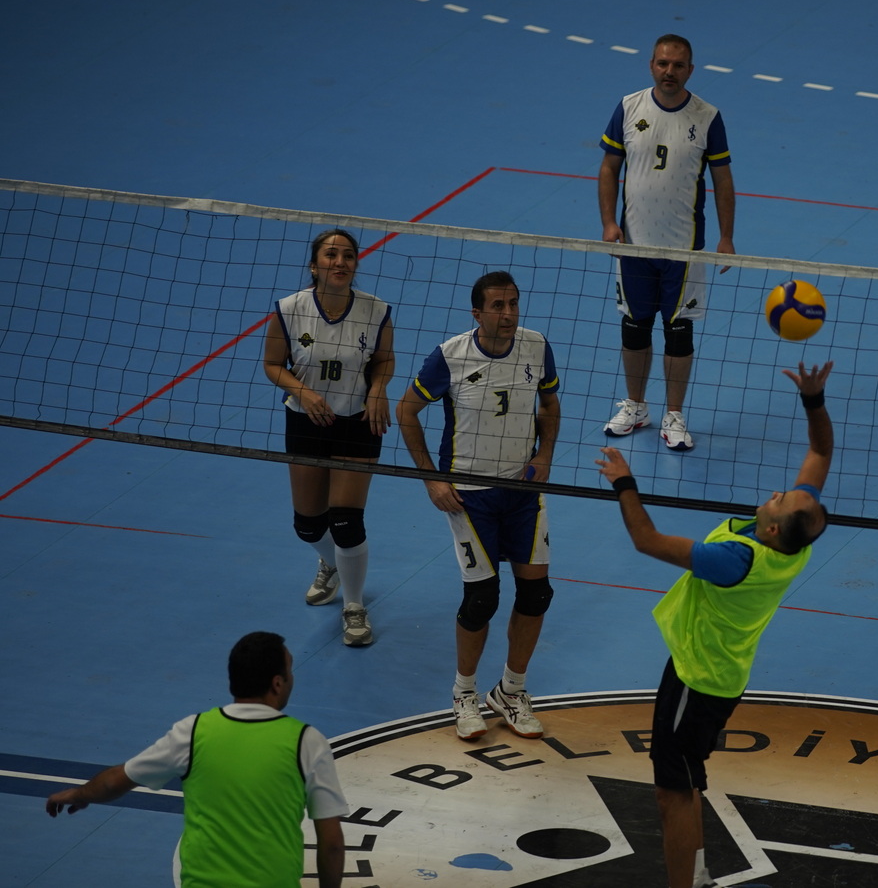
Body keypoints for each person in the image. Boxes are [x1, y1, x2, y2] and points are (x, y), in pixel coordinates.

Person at [596, 360, 833, 888]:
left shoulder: (736, 560)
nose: (779, 492)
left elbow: (647, 541)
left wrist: (624, 481)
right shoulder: (792, 539)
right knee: (684, 781)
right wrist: (813, 401)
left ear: (773, 529)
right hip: (709, 671)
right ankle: (697, 876)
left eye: (781, 499)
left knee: (673, 791)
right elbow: (820, 453)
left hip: (699, 681)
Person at [45, 631, 348, 887]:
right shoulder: (307, 742)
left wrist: (80, 794)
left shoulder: (192, 732)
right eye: (290, 671)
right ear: (277, 683)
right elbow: (332, 844)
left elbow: (115, 781)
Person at [397, 271, 561, 743]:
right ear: (477, 312)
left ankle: (511, 690)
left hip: (522, 490)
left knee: (537, 594)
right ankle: (464, 694)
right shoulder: (450, 356)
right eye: (497, 306)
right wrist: (432, 478)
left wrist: (545, 454)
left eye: (513, 303)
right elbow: (406, 411)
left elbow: (549, 405)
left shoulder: (536, 346)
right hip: (470, 495)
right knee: (482, 598)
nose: (508, 314)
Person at [597, 32, 736, 452]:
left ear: (690, 70)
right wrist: (609, 223)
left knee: (678, 333)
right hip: (634, 246)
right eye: (662, 63)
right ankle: (636, 407)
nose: (669, 71)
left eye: (677, 65)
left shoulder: (707, 117)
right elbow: (609, 168)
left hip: (684, 250)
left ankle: (674, 415)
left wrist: (726, 237)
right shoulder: (629, 107)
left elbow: (723, 181)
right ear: (651, 65)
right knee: (634, 327)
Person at [262, 228, 394, 647]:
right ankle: (332, 564)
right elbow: (272, 364)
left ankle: (354, 606)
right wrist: (302, 391)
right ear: (314, 265)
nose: (340, 262)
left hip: (358, 421)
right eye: (331, 255)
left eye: (348, 256)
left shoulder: (376, 310)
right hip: (306, 420)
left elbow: (384, 360)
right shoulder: (289, 309)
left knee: (346, 521)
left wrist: (378, 389)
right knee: (307, 524)